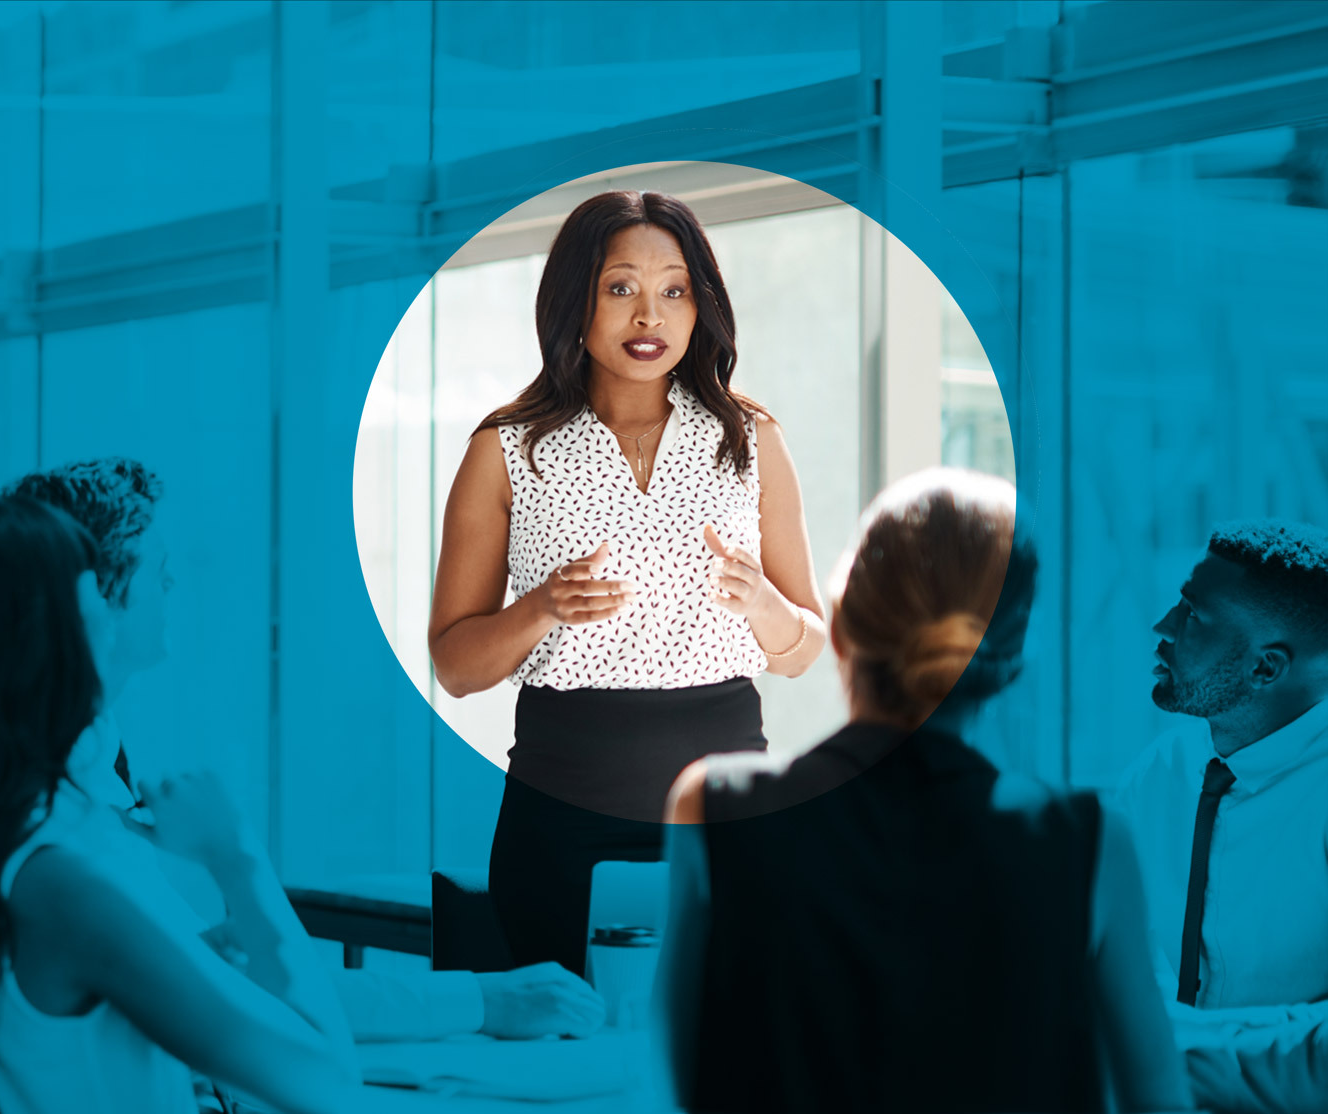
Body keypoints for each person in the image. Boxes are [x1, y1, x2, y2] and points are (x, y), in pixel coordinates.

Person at [2, 457, 606, 1041]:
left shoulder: (73, 774)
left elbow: (207, 982)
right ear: (93, 599)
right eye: (153, 568)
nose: (171, 583)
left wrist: (201, 953)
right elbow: (271, 1020)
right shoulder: (60, 830)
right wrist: (485, 1000)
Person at [658, 469, 1190, 1113]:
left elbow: (674, 1086)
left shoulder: (717, 804)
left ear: (844, 622)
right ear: (1013, 658)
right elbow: (1157, 1103)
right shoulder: (1088, 840)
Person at [427, 189, 827, 975]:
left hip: (728, 816)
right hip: (560, 815)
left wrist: (763, 604)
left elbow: (802, 648)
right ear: (574, 300)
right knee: (562, 1052)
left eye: (674, 290)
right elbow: (456, 665)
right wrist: (541, 608)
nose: (651, 316)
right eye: (622, 289)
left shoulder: (751, 439)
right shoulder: (506, 449)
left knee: (727, 1061)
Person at [0, 497, 359, 1114]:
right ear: (50, 647)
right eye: (97, 608)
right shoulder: (60, 883)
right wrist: (236, 856)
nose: (114, 626)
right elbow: (328, 1085)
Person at [1111, 520, 1328, 1114]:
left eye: (1193, 616)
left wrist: (1172, 1046)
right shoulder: (1159, 774)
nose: (1163, 629)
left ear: (1266, 669)